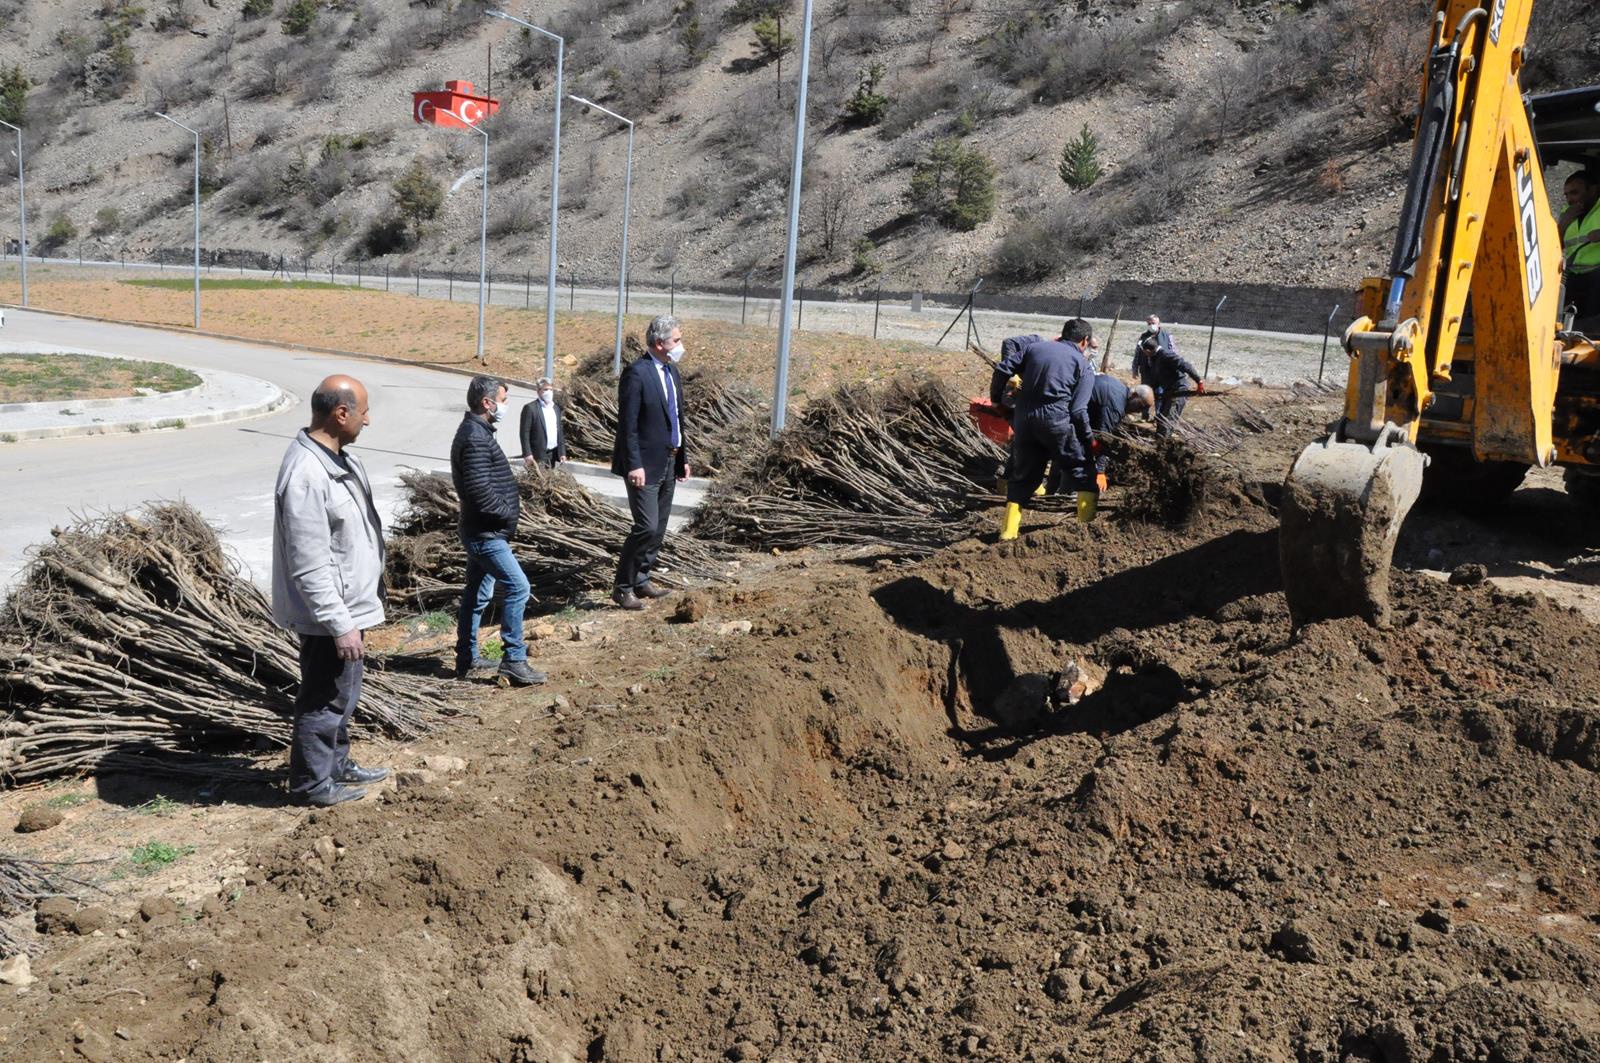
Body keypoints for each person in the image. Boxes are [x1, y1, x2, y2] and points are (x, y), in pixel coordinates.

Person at [271, 375, 390, 806]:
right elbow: (309, 564)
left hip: (348, 607)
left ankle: (336, 766)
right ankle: (311, 785)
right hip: (328, 615)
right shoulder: (306, 473)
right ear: (342, 414)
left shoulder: (340, 459)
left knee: (343, 695)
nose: (367, 420)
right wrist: (340, 624)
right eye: (364, 411)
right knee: (324, 699)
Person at [451, 374, 546, 686]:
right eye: (503, 401)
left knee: (476, 596)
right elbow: (479, 491)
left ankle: (467, 659)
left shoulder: (476, 432)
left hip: (483, 531)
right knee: (518, 587)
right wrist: (507, 513)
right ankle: (514, 660)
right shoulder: (475, 438)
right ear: (487, 403)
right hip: (486, 534)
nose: (505, 406)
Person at [990, 318, 1097, 540]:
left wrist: (996, 400)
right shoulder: (1082, 365)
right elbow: (1078, 410)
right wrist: (1089, 440)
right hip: (1056, 421)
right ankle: (1087, 532)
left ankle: (1008, 533)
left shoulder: (1034, 348)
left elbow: (1002, 368)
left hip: (1024, 420)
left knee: (1022, 477)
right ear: (1085, 341)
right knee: (1083, 470)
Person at [612, 315, 691, 610]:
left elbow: (677, 419)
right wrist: (634, 464)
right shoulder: (637, 373)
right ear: (659, 343)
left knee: (658, 529)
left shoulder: (672, 371)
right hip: (644, 465)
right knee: (646, 526)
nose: (681, 345)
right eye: (676, 340)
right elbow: (628, 425)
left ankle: (641, 578)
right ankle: (622, 587)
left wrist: (682, 458)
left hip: (669, 460)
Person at [1079, 375, 1154, 520]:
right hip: (1070, 418)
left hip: (1073, 414)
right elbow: (1103, 436)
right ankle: (1076, 507)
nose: (1139, 412)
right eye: (1141, 406)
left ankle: (1055, 489)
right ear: (1134, 395)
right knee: (1080, 466)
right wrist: (1100, 471)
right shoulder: (1115, 405)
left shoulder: (1120, 391)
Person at [1139, 334, 1205, 437]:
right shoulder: (1154, 358)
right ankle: (1160, 440)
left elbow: (1186, 365)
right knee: (1161, 419)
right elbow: (1157, 379)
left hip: (1178, 391)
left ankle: (1164, 442)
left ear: (1148, 350)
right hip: (1168, 391)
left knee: (1168, 420)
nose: (1144, 354)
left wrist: (1199, 381)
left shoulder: (1166, 355)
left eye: (1144, 351)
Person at [1560, 171, 1600, 328]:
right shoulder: (1567, 213)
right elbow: (1554, 245)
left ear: (1593, 190)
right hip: (1573, 275)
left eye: (1575, 193)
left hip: (1596, 275)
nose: (1570, 199)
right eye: (1567, 195)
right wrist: (1563, 223)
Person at [519, 377, 567, 469]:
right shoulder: (530, 408)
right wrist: (527, 453)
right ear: (538, 391)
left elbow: (559, 431)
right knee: (537, 477)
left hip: (552, 454)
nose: (549, 392)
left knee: (550, 477)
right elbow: (524, 433)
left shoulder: (556, 408)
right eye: (545, 389)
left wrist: (562, 452)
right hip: (537, 455)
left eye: (551, 390)